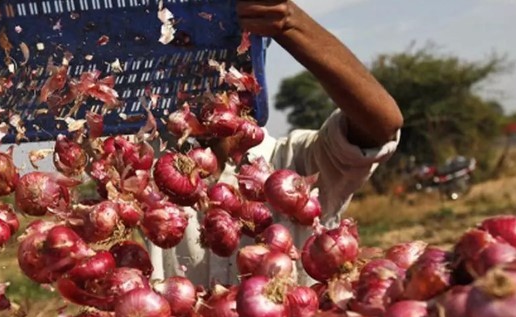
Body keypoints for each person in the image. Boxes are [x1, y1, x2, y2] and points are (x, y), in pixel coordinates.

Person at [147, 0, 404, 286]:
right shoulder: (150, 171)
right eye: (183, 71)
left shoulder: (297, 162)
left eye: (215, 70)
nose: (199, 86)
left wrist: (290, 23)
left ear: (247, 75)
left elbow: (383, 123)